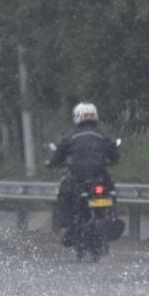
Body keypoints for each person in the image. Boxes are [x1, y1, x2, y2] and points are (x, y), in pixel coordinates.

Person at [48, 102, 120, 239]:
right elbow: (115, 156)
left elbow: (58, 157)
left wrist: (52, 163)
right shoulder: (103, 136)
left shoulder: (71, 137)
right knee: (111, 192)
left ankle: (67, 226)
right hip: (100, 177)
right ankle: (112, 216)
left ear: (77, 117)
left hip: (78, 177)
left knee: (63, 195)